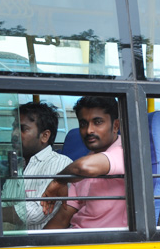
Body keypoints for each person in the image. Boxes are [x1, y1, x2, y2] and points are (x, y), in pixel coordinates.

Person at [0, 101, 72, 231]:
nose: (14, 134)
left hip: (39, 241)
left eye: (23, 129)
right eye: (14, 128)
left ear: (44, 136)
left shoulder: (60, 164)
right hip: (12, 238)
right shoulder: (18, 167)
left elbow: (34, 213)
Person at [42, 96, 127, 229]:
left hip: (105, 240)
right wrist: (38, 241)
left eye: (97, 122)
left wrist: (58, 181)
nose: (89, 130)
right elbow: (63, 216)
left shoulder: (124, 152)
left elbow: (83, 167)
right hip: (77, 236)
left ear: (115, 126)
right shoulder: (87, 160)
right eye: (83, 124)